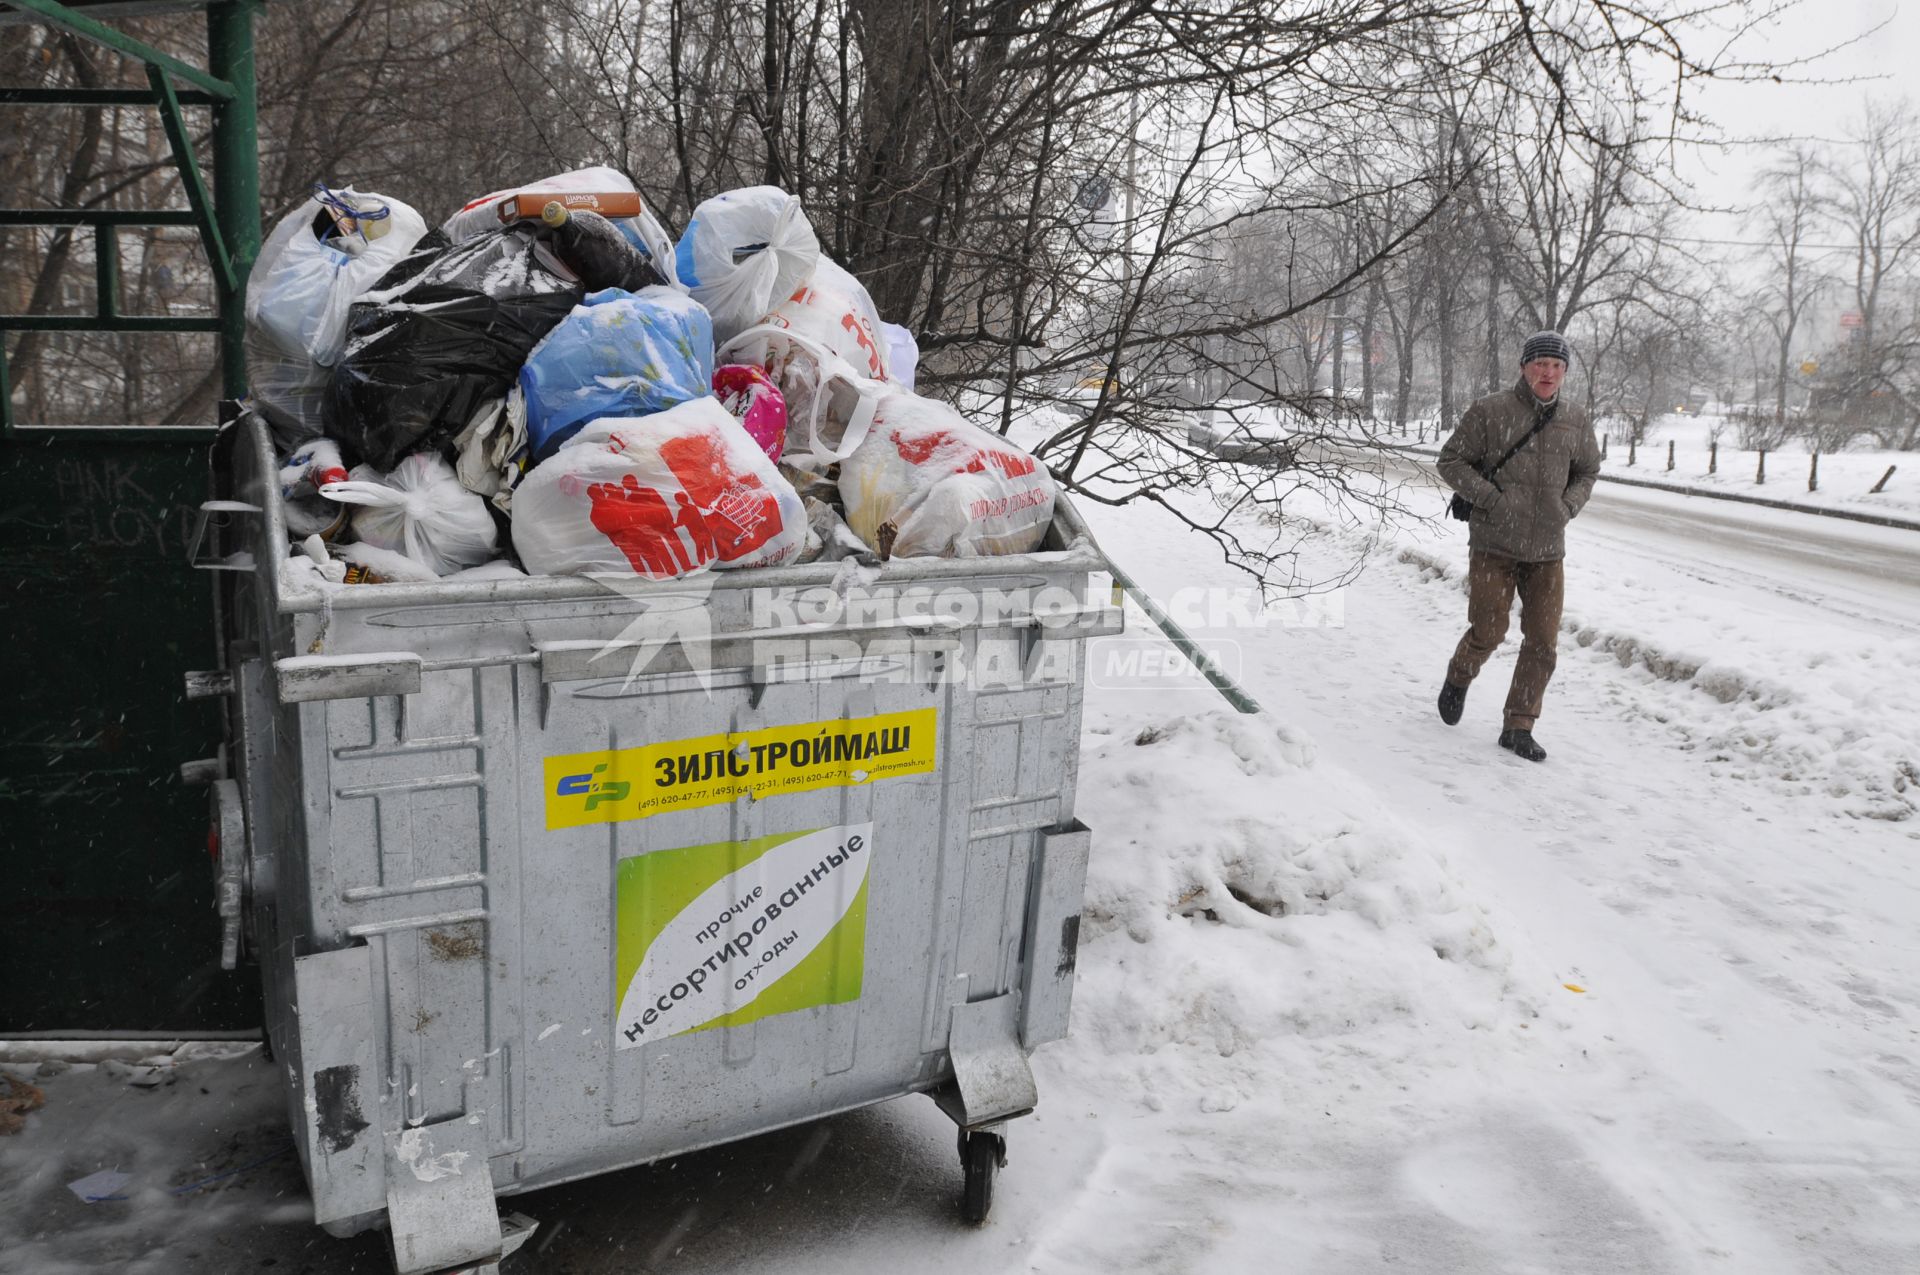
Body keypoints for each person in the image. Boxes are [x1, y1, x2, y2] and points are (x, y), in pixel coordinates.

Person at [1435, 330, 1601, 762]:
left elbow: (1587, 471)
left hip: (1548, 549)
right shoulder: (1490, 411)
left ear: (1565, 372)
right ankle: (1460, 675)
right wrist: (1490, 499)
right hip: (1494, 544)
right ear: (1525, 367)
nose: (1548, 373)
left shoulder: (1576, 419)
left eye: (1557, 366)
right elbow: (1450, 460)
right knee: (1490, 630)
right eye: (1540, 364)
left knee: (1543, 643)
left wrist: (1568, 506)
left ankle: (1518, 725)